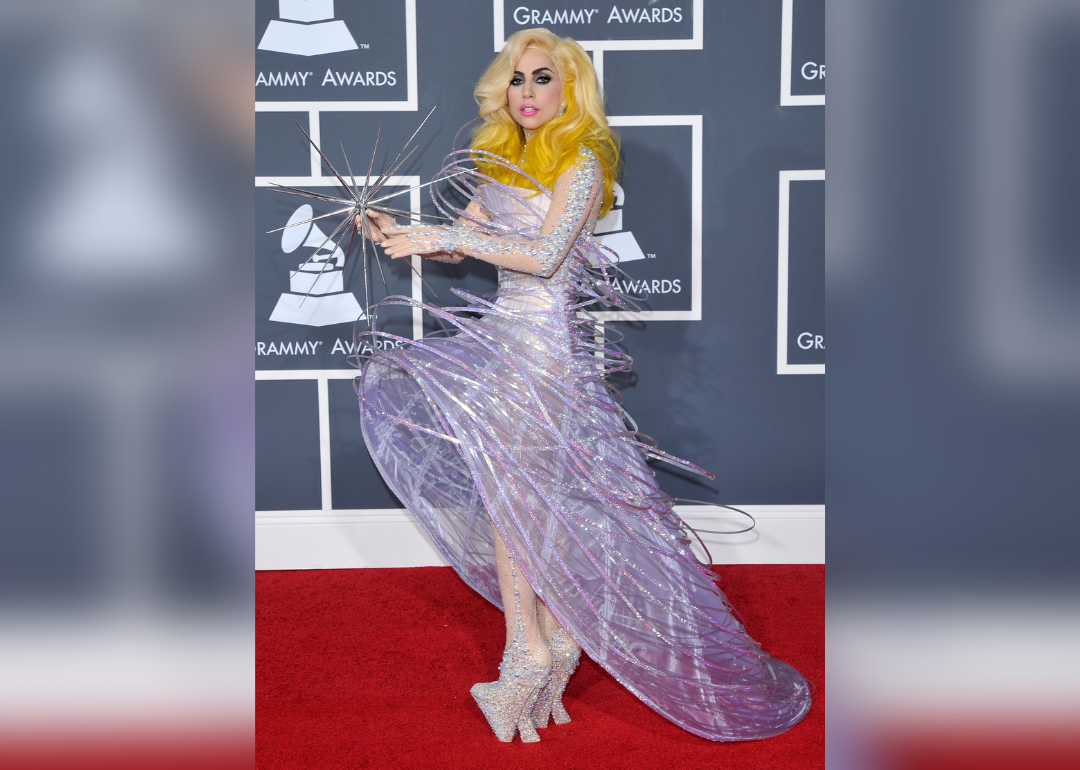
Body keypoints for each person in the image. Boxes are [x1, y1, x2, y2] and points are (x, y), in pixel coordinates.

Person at [353, 28, 811, 744]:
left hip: (544, 354)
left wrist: (458, 240)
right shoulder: (500, 158)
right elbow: (453, 237)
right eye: (516, 79)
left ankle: (527, 650)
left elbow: (540, 257)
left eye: (542, 79)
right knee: (519, 498)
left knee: (520, 501)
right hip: (506, 345)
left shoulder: (585, 161)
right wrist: (399, 231)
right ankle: (550, 642)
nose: (527, 93)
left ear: (570, 90)